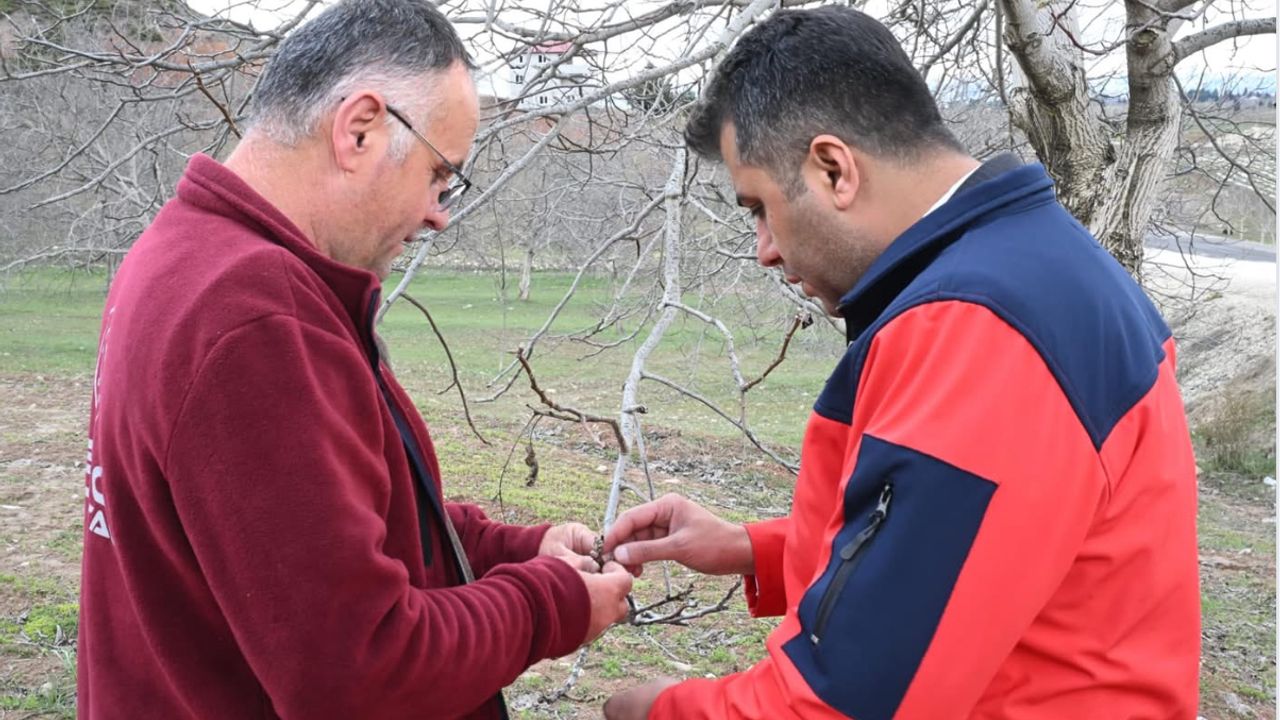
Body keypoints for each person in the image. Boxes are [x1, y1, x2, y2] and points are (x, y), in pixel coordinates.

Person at [602, 7, 1199, 719]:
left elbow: (849, 702)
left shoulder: (979, 329)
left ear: (833, 169)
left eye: (759, 206)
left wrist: (655, 711)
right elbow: (966, 550)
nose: (764, 248)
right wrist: (750, 548)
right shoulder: (1033, 268)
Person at [76, 1, 633, 717]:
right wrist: (551, 604)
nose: (439, 213)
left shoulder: (184, 253)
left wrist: (513, 549)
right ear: (360, 129)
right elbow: (358, 669)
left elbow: (327, 522)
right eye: (439, 174)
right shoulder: (255, 314)